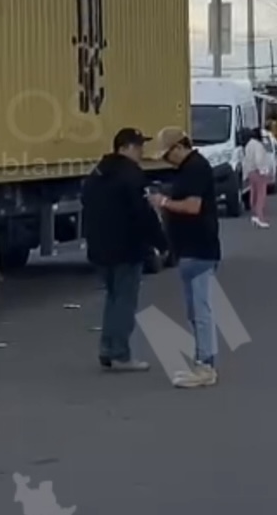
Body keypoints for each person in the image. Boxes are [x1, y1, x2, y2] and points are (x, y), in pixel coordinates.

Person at [82, 127, 168, 372]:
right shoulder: (132, 176)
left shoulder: (97, 174)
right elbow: (143, 214)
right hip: (127, 247)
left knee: (113, 298)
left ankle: (107, 347)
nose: (142, 151)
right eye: (139, 146)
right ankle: (120, 353)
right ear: (126, 147)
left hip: (100, 247)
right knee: (125, 301)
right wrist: (161, 243)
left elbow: (87, 205)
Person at [149, 127, 221, 389]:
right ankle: (202, 362)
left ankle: (206, 365)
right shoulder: (189, 169)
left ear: (179, 147)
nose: (167, 159)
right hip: (191, 249)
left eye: (168, 154)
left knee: (201, 311)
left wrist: (163, 202)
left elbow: (192, 206)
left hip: (199, 247)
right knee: (195, 311)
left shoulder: (195, 168)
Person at [241, 128, 273, 229]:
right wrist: (263, 171)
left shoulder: (248, 145)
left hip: (251, 172)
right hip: (258, 172)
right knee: (261, 195)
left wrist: (246, 174)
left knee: (253, 194)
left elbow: (245, 160)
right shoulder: (258, 145)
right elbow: (259, 159)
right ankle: (259, 217)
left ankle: (255, 215)